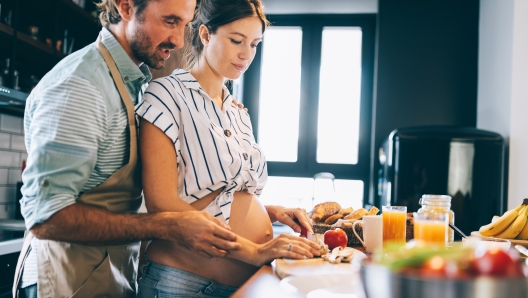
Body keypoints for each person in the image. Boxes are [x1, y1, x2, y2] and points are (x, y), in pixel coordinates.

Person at [12, 0, 243, 297]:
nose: (179, 39)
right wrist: (165, 226)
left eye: (184, 25)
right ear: (125, 7)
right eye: (170, 21)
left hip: (105, 275)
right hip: (63, 281)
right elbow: (46, 215)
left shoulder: (133, 83)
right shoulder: (82, 85)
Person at [135, 0, 321, 296]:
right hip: (184, 285)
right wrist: (255, 251)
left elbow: (225, 195)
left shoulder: (237, 111)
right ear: (206, 35)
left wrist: (272, 212)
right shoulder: (165, 95)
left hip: (240, 284)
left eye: (255, 44)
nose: (246, 54)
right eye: (236, 40)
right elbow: (163, 204)